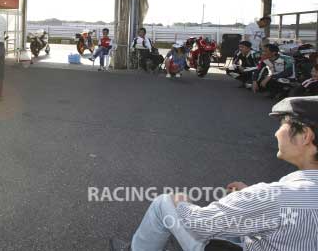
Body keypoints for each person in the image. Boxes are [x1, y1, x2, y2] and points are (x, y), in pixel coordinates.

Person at [122, 96, 318, 251]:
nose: (277, 133)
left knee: (164, 203)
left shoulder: (274, 197)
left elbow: (199, 225)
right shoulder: (280, 196)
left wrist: (180, 202)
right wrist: (251, 199)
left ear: (305, 136)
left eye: (283, 123)